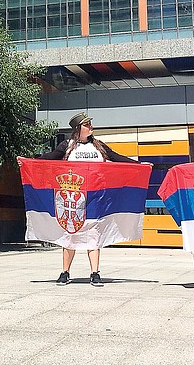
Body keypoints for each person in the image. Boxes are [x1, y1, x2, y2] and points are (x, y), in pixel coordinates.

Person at [39, 112, 139, 287]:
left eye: (90, 124)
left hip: (95, 198)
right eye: (87, 125)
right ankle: (65, 272)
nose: (91, 127)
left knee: (94, 235)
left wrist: (139, 165)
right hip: (73, 199)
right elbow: (50, 158)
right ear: (78, 128)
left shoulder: (98, 146)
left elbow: (116, 158)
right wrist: (29, 160)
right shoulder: (67, 146)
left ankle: (95, 272)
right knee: (70, 233)